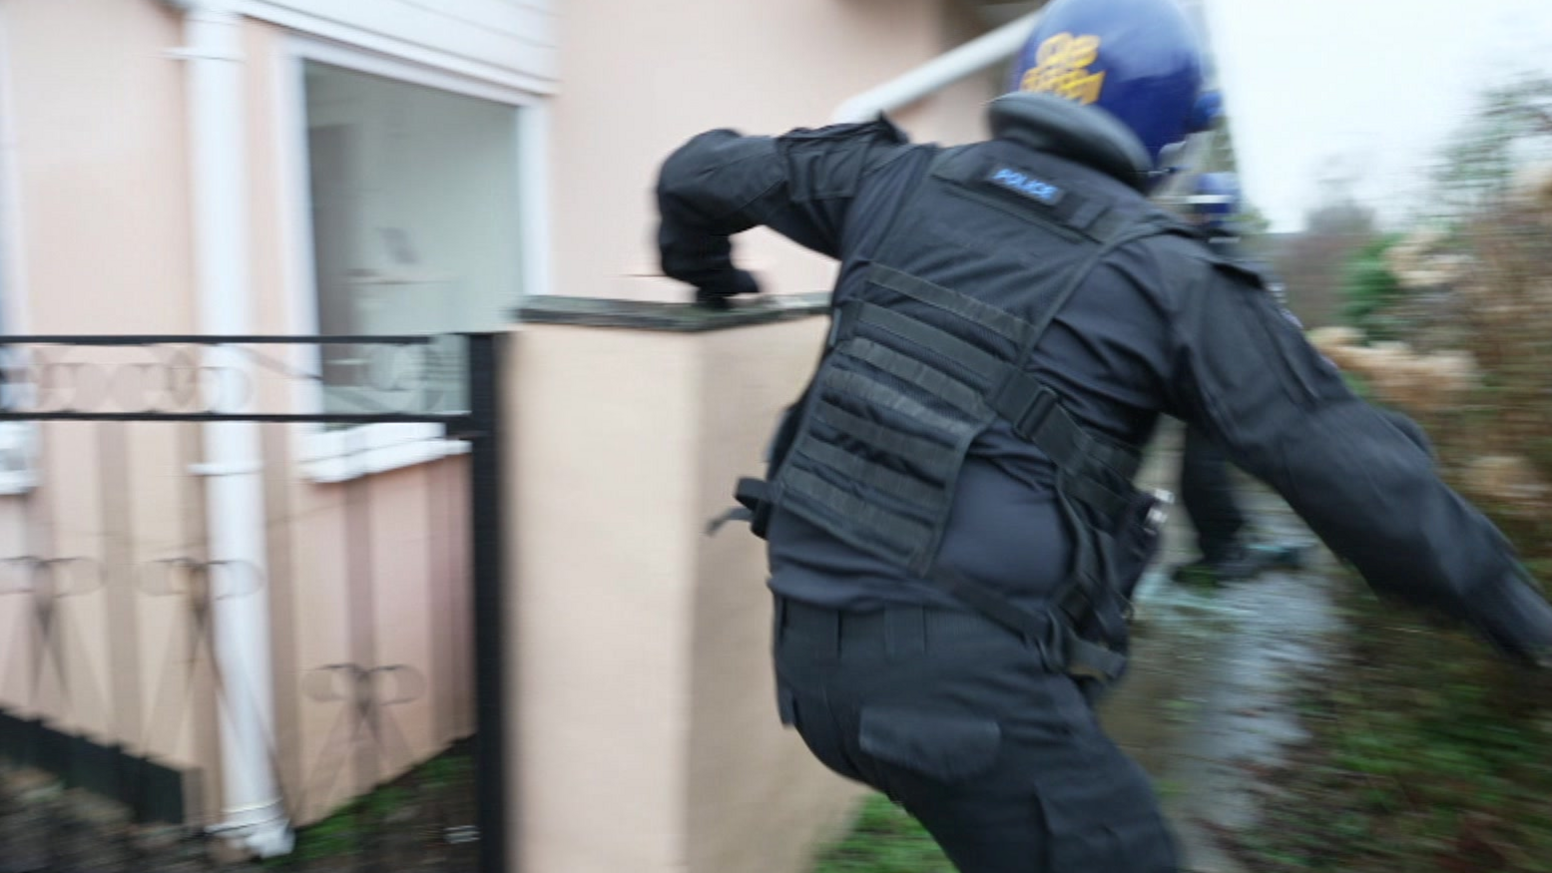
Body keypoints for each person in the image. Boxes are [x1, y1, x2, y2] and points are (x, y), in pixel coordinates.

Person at [654, 0, 1552, 870]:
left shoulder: (886, 179)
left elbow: (697, 170)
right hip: (963, 698)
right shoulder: (1174, 276)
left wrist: (708, 271)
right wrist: (1520, 616)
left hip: (813, 667)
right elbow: (1355, 474)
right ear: (1168, 133)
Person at [1169, 172, 1308, 584]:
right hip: (1235, 384)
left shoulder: (1204, 259)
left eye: (1194, 210)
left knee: (1201, 472)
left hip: (1223, 386)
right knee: (1202, 470)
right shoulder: (1241, 261)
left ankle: (1226, 554)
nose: (1188, 216)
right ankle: (1227, 545)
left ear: (1204, 212)